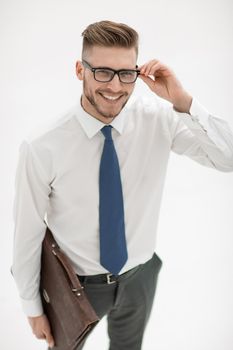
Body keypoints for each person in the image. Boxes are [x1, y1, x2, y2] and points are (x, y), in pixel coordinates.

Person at [12, 20, 233, 350]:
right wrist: (32, 307)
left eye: (126, 73)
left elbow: (227, 158)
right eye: (102, 71)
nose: (115, 86)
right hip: (75, 287)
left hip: (140, 277)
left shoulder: (160, 118)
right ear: (79, 70)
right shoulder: (42, 146)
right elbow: (27, 232)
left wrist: (184, 102)